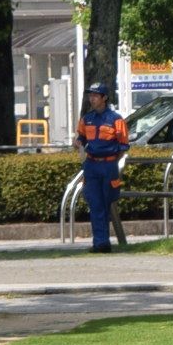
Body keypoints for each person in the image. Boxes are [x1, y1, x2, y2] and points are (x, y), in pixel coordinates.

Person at [75, 82, 129, 252]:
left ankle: (102, 241)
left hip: (108, 164)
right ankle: (101, 243)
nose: (92, 99)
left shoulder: (116, 119)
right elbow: (81, 137)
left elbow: (123, 145)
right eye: (90, 95)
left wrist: (112, 161)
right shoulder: (86, 118)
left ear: (104, 98)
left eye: (95, 96)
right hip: (91, 165)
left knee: (107, 201)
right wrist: (78, 143)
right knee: (95, 203)